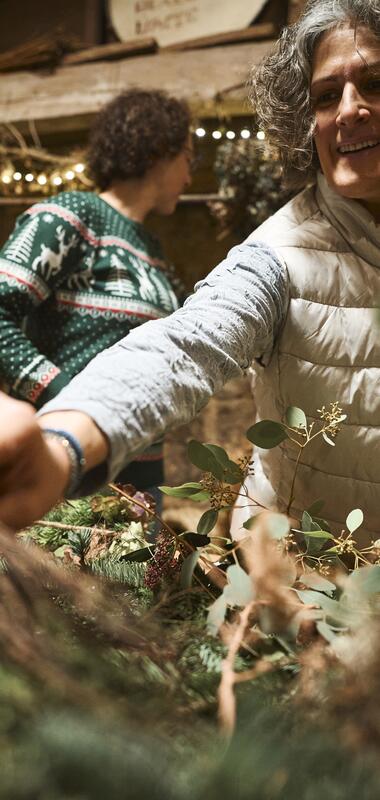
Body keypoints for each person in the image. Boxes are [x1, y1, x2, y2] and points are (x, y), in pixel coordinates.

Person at [0, 0, 379, 543]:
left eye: (375, 81)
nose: (348, 109)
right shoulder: (274, 251)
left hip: (139, 470)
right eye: (325, 95)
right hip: (94, 461)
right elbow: (186, 343)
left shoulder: (150, 249)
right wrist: (64, 433)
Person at [0, 88, 192, 498]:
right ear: (159, 150)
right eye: (188, 159)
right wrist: (70, 397)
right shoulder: (70, 216)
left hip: (140, 476)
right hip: (63, 465)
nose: (190, 176)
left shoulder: (152, 249)